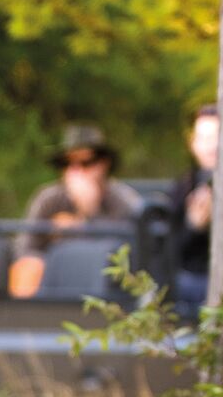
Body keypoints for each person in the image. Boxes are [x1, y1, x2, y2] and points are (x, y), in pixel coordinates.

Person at [8, 125, 144, 299]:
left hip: (104, 293)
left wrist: (87, 219)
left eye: (86, 163)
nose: (76, 171)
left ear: (103, 164)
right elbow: (24, 247)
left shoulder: (123, 200)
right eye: (68, 164)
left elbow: (130, 254)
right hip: (53, 290)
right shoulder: (48, 199)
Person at [170, 103, 220, 311]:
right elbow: (171, 253)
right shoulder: (182, 189)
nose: (212, 147)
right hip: (190, 282)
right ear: (193, 143)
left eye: (217, 138)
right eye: (205, 139)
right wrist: (193, 226)